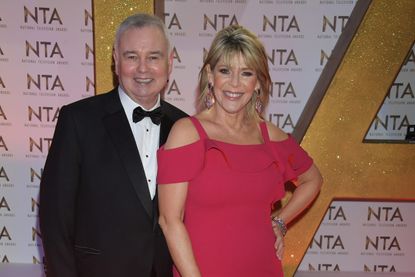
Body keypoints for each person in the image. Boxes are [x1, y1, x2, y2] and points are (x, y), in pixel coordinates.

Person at [157, 25, 323, 277]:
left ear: (257, 83)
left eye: (246, 73)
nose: (234, 83)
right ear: (210, 76)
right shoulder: (187, 133)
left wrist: (279, 221)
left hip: (263, 267)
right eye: (225, 71)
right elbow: (170, 221)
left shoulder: (271, 137)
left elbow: (313, 179)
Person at [39, 13, 187, 277]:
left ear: (170, 62)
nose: (143, 68)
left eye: (153, 57)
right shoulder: (78, 120)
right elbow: (55, 218)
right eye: (132, 56)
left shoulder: (184, 127)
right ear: (116, 61)